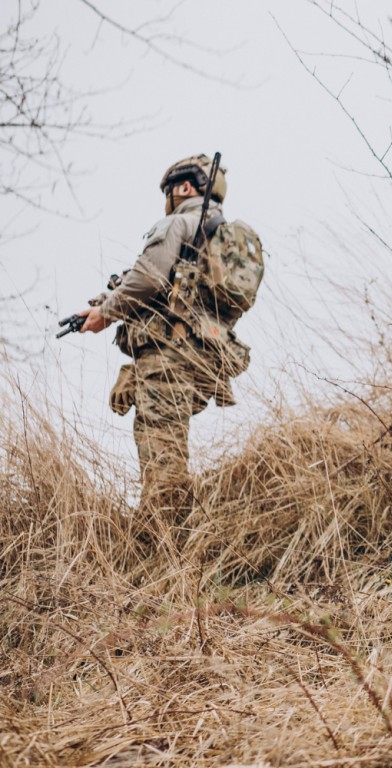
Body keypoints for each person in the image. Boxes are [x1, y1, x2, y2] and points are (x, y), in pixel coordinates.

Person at [74, 154, 258, 534]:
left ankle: (164, 538)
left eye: (170, 189)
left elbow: (148, 280)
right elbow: (175, 292)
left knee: (161, 446)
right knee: (169, 441)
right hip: (208, 357)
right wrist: (101, 302)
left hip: (169, 355)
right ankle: (175, 527)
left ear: (186, 187)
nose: (168, 197)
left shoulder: (178, 223)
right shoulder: (220, 237)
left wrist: (105, 314)